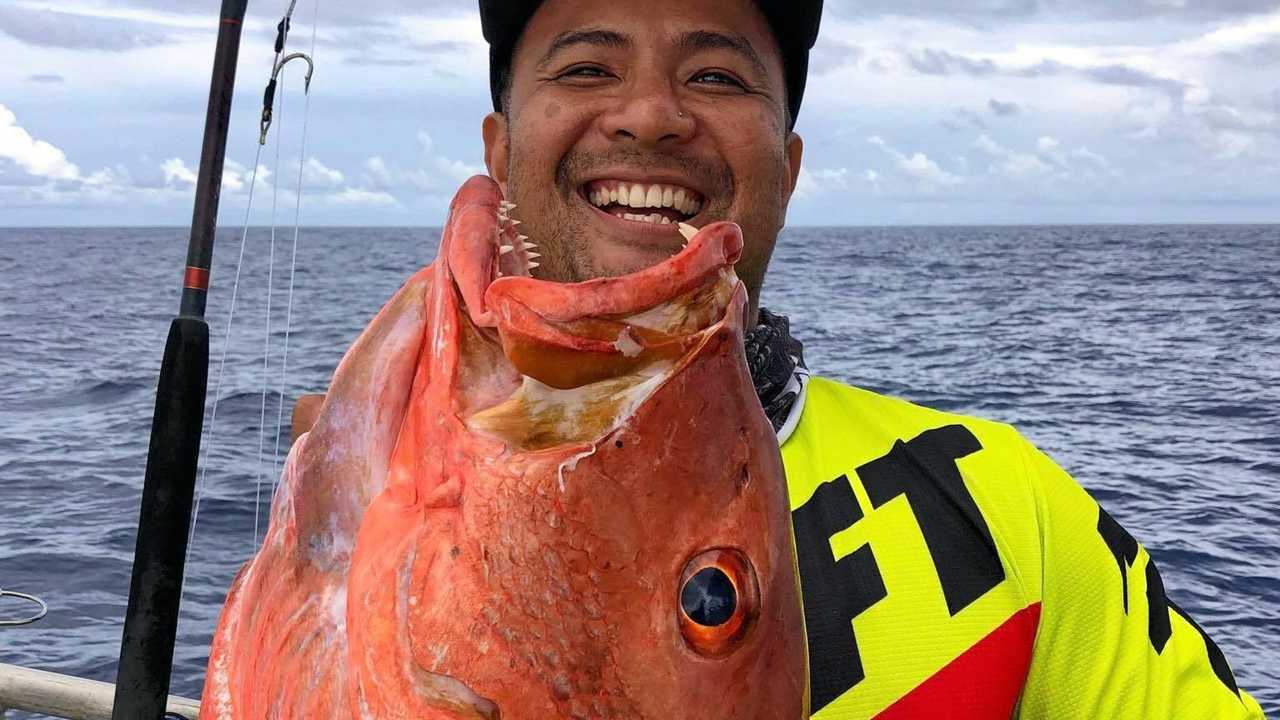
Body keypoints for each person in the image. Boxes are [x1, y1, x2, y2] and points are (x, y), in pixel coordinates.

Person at [295, 0, 1267, 716]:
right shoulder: (361, 483)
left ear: (788, 166)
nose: (647, 115)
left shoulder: (996, 504)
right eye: (587, 67)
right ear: (499, 150)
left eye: (715, 76)